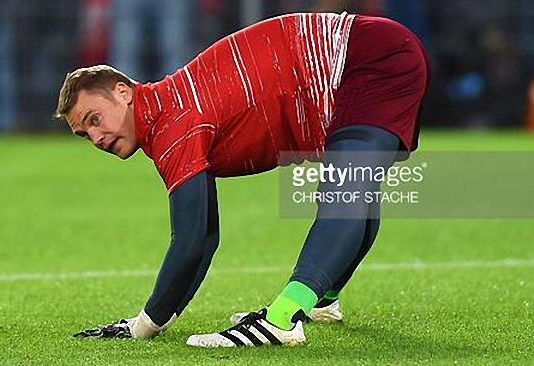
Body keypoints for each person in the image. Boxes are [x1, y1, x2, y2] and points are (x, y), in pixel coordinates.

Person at [56, 12, 429, 347]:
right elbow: (204, 239)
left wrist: (144, 326)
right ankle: (320, 300)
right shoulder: (168, 111)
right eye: (84, 134)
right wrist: (156, 319)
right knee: (353, 192)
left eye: (94, 119)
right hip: (371, 52)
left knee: (345, 194)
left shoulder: (173, 122)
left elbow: (191, 242)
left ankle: (284, 318)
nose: (97, 138)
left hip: (367, 59)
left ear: (124, 93)